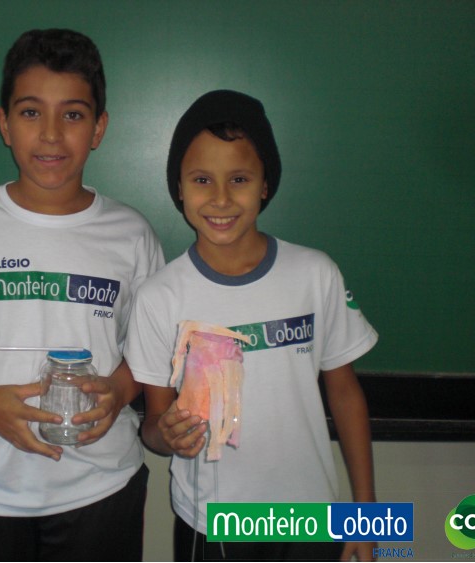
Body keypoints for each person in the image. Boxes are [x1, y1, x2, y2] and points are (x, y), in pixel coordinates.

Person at [0, 28, 164, 561]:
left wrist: (119, 390)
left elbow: (151, 352)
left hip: (100, 486)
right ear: (4, 124)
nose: (50, 135)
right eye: (30, 112)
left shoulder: (132, 234)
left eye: (73, 114)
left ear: (99, 128)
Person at [125, 90, 378, 561]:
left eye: (239, 179)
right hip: (214, 526)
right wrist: (168, 435)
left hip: (310, 519)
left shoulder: (315, 274)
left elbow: (345, 394)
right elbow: (153, 426)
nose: (220, 198)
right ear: (179, 188)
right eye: (202, 180)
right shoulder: (159, 297)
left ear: (265, 184)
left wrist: (367, 517)